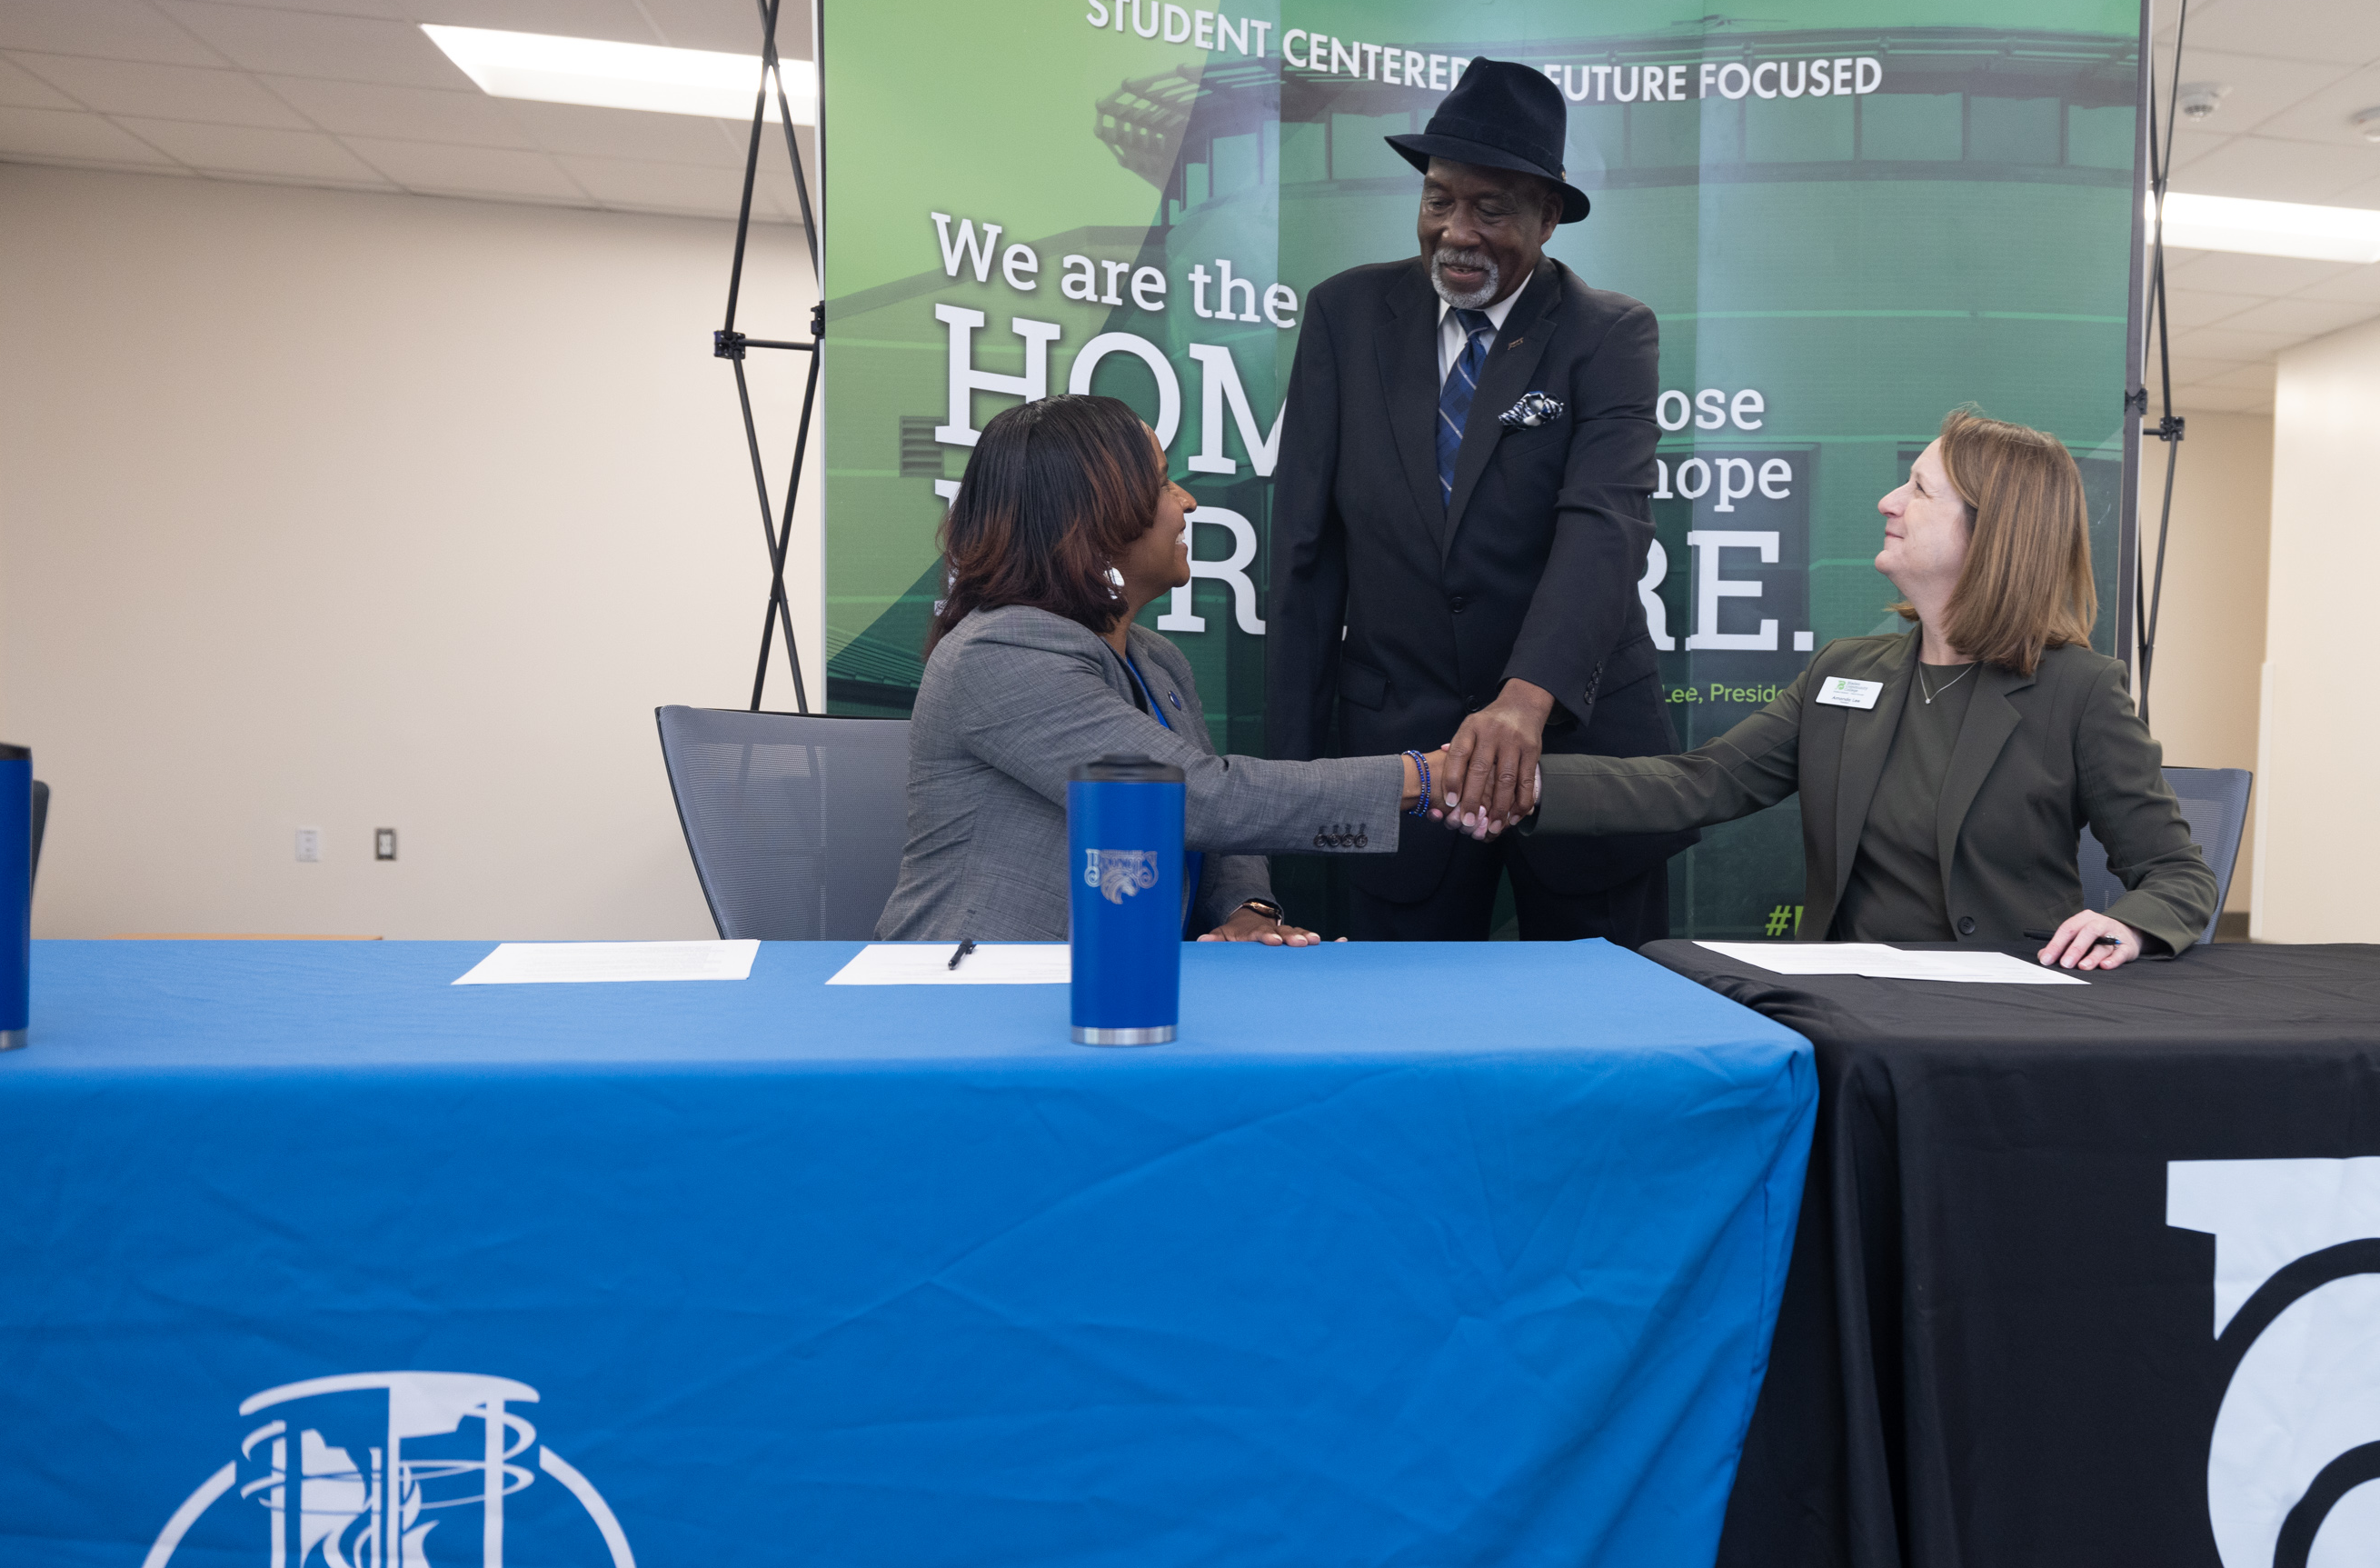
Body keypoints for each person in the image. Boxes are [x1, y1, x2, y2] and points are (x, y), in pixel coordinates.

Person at [1476, 410, 2218, 968]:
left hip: (2008, 1017)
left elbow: (2177, 873)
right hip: (1849, 1013)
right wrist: (1519, 786)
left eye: (1919, 489)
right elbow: (1696, 784)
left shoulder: (2079, 691)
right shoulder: (1844, 673)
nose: (1888, 501)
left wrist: (2131, 923)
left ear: (1990, 535)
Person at [1266, 55, 1688, 945]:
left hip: (1577, 754)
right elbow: (1306, 554)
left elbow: (1604, 528)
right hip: (1401, 758)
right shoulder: (1345, 317)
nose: (1456, 231)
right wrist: (1288, 791)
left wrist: (1523, 703)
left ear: (1545, 218)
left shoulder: (1609, 334)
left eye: (1490, 209)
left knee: (1601, 1042)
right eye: (1439, 200)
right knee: (1398, 1050)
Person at [877, 394, 1469, 945]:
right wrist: (1421, 778)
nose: (1186, 501)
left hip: (1123, 993)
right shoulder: (1001, 653)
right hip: (970, 1001)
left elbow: (1215, 832)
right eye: (1162, 483)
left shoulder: (1158, 660)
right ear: (1095, 518)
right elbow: (1201, 797)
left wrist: (1248, 910)